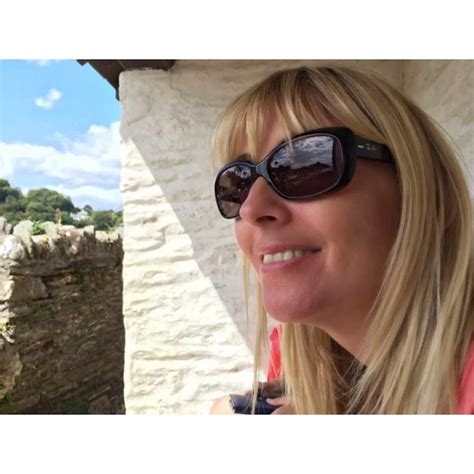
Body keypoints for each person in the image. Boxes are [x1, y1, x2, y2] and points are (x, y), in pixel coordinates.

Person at [209, 66, 473, 414]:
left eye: (304, 164)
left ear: (433, 196)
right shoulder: (294, 356)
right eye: (239, 182)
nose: (250, 208)